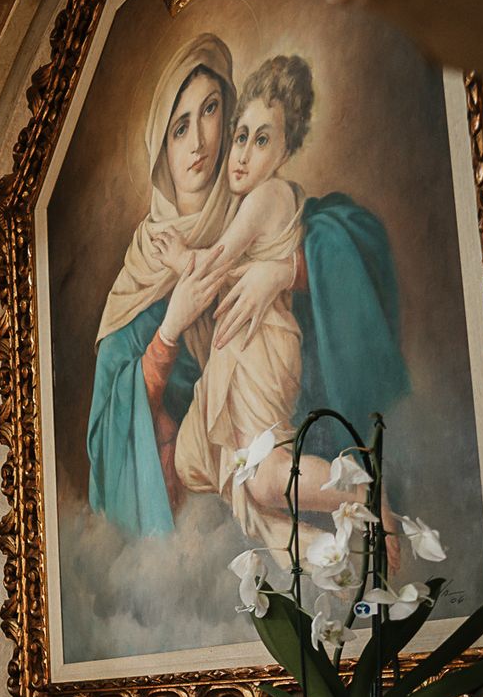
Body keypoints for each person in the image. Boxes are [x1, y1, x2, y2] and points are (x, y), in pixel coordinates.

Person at [85, 34, 411, 542]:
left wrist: (287, 272)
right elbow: (114, 422)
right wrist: (168, 334)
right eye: (179, 128)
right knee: (227, 470)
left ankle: (354, 503)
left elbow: (356, 247)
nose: (199, 143)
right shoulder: (141, 269)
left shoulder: (258, 202)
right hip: (205, 505)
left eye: (211, 110)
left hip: (267, 385)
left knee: (264, 475)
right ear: (160, 152)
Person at [157, 54, 316, 549]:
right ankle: (309, 542)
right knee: (204, 461)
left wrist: (181, 257)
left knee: (265, 477)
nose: (243, 154)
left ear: (287, 149)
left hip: (261, 350)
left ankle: (358, 490)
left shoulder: (266, 198)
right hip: (248, 349)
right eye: (241, 136)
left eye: (262, 139)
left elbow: (217, 265)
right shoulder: (270, 197)